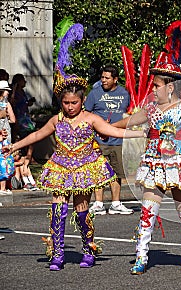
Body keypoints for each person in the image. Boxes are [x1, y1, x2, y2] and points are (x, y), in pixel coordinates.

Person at [3, 22, 145, 271]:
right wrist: (15, 146)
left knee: (81, 211)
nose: (70, 107)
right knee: (58, 210)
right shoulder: (56, 120)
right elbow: (36, 135)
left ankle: (88, 249)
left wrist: (139, 133)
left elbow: (112, 131)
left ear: (82, 101)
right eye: (66, 102)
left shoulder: (90, 118)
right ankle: (57, 253)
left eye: (74, 102)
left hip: (85, 167)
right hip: (60, 167)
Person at [113, 20, 181, 275]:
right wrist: (101, 123)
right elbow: (129, 121)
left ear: (171, 87)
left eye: (156, 85)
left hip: (179, 164)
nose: (152, 89)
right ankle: (141, 255)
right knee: (148, 209)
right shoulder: (151, 109)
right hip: (155, 163)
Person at [85, 65, 133, 215]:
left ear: (115, 79)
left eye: (107, 78)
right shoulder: (94, 93)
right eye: (102, 77)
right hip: (98, 140)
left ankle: (116, 204)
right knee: (99, 172)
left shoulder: (124, 94)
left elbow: (128, 113)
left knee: (116, 173)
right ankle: (98, 203)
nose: (103, 80)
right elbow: (87, 114)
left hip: (117, 139)